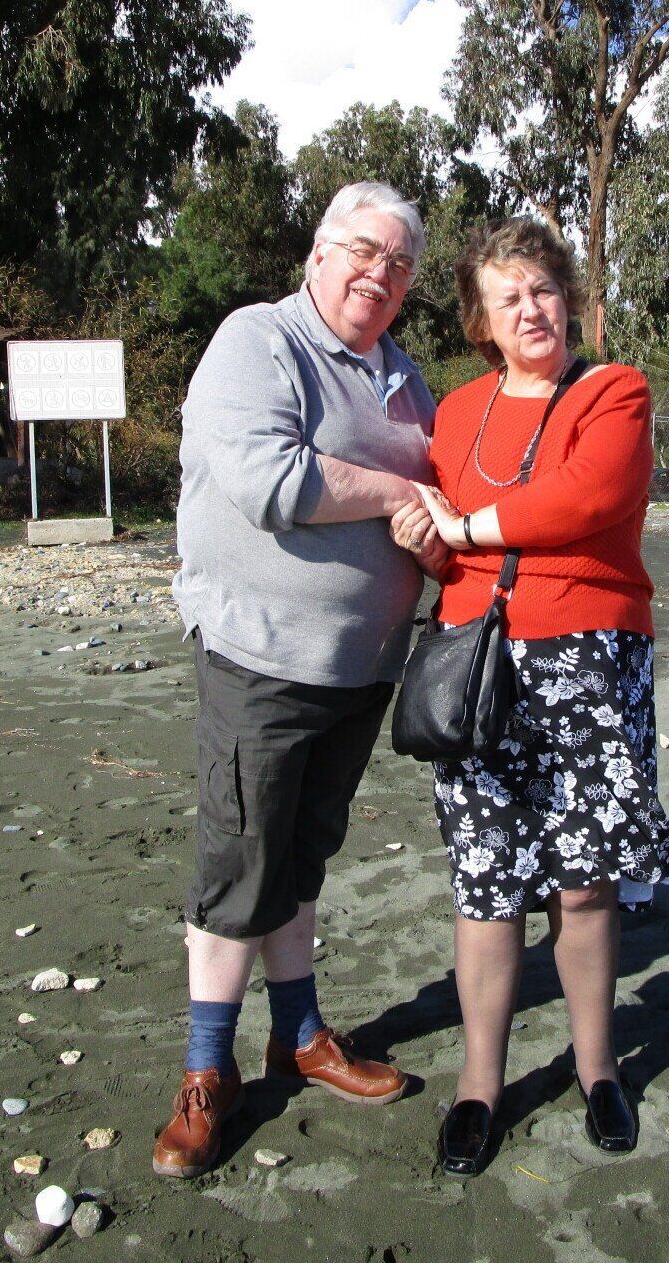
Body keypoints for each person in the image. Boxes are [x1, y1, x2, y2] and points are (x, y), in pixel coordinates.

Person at [158, 182, 438, 1178]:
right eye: (365, 250)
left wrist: (434, 541)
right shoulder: (257, 342)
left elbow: (438, 523)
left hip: (361, 671)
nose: (380, 273)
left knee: (302, 857)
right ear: (319, 254)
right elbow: (271, 483)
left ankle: (302, 1034)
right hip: (260, 657)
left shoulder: (407, 381)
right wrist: (405, 490)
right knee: (240, 864)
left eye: (400, 264)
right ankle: (204, 1075)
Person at [401, 216, 669, 1175]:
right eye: (508, 296)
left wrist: (469, 525)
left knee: (587, 876)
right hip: (477, 664)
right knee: (487, 883)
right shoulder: (454, 411)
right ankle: (481, 1083)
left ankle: (599, 1066)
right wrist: (426, 538)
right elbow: (447, 542)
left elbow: (586, 499)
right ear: (482, 321)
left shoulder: (614, 391)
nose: (531, 309)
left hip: (593, 660)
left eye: (543, 290)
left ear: (566, 298)